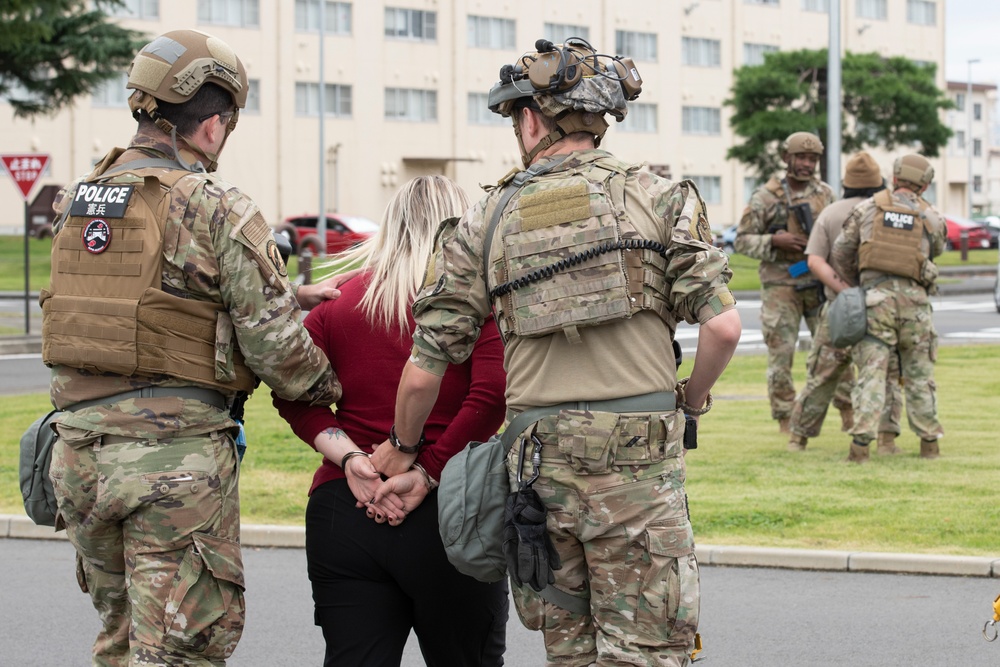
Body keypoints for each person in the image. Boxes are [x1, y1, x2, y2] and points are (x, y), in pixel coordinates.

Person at [380, 38, 741, 666]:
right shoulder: (658, 199)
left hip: (538, 467)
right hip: (637, 464)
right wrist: (693, 399)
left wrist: (403, 447)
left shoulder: (486, 218)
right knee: (647, 648)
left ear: (530, 118)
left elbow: (424, 370)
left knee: (569, 649)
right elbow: (724, 329)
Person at [43, 30, 343, 665]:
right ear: (212, 125)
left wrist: (279, 298)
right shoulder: (214, 205)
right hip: (170, 464)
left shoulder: (80, 199)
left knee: (120, 643)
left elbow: (140, 301)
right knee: (181, 650)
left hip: (77, 458)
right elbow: (281, 353)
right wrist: (335, 390)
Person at [273, 175, 509, 666]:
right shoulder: (475, 303)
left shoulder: (338, 305)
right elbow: (490, 397)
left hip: (345, 506)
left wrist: (352, 457)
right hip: (452, 508)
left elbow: (293, 393)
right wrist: (426, 472)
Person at [830, 154, 947, 462]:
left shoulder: (867, 208)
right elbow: (937, 250)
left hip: (875, 301)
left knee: (871, 372)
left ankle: (860, 449)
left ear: (894, 178)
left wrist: (860, 281)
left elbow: (841, 250)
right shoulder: (931, 215)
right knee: (920, 374)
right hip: (915, 305)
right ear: (925, 184)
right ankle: (929, 444)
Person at [787, 152, 902, 453]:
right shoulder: (887, 211)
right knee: (884, 374)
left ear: (847, 184)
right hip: (881, 306)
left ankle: (798, 437)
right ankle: (887, 440)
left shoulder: (832, 212)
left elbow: (814, 261)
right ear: (879, 182)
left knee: (822, 374)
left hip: (839, 307)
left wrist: (845, 288)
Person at [735, 131, 846, 435]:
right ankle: (786, 418)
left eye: (812, 159)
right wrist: (775, 240)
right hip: (781, 284)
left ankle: (848, 412)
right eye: (801, 157)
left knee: (835, 349)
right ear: (786, 158)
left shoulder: (825, 194)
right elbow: (742, 240)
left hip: (818, 281)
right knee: (781, 353)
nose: (807, 164)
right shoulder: (766, 196)